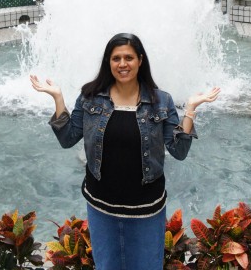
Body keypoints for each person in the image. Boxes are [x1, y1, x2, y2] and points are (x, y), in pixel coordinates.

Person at [30, 33, 220, 270]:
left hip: (146, 208)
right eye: (116, 58)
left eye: (128, 57)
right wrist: (58, 98)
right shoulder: (90, 97)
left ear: (140, 60)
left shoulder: (161, 101)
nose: (122, 64)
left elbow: (179, 151)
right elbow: (68, 138)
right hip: (101, 205)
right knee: (106, 265)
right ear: (108, 63)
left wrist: (190, 109)